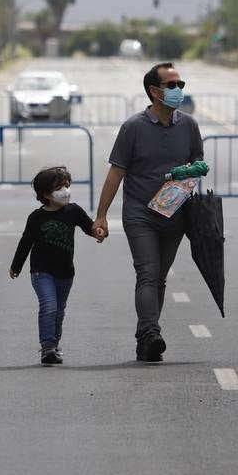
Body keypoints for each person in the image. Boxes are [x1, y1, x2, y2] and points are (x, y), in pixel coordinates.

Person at [92, 62, 203, 363]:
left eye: (181, 84)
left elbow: (198, 164)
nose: (178, 90)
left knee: (160, 278)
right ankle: (151, 333)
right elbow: (116, 173)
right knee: (148, 273)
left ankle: (146, 338)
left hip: (174, 214)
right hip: (140, 213)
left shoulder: (189, 126)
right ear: (154, 91)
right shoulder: (133, 128)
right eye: (172, 85)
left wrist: (189, 172)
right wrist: (101, 215)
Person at [10, 166, 103, 366]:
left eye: (67, 185)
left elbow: (89, 226)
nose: (65, 190)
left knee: (59, 310)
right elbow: (25, 242)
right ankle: (47, 347)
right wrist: (16, 266)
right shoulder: (36, 217)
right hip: (41, 271)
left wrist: (99, 232)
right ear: (46, 194)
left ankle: (54, 344)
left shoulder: (74, 211)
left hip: (65, 272)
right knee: (49, 306)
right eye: (59, 187)